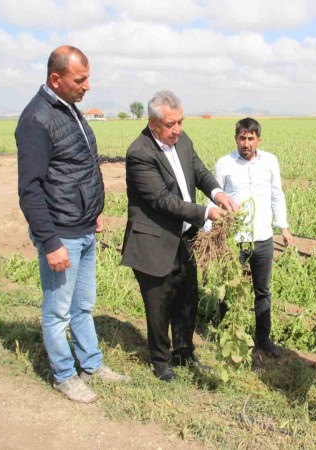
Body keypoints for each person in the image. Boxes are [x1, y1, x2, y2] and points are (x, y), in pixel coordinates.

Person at [16, 45, 127, 403]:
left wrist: (91, 209)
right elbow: (30, 190)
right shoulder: (36, 120)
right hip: (61, 233)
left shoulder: (69, 110)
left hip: (83, 227)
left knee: (83, 305)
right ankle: (64, 375)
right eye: (80, 79)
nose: (87, 86)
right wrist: (50, 242)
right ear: (56, 79)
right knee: (57, 311)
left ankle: (91, 364)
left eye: (87, 78)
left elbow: (76, 168)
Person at [121, 90, 238, 382]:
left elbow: (198, 171)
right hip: (154, 242)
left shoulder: (182, 141)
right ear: (153, 122)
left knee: (188, 298)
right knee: (159, 304)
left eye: (180, 122)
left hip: (185, 239)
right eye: (171, 124)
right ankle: (161, 362)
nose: (177, 129)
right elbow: (162, 200)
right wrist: (205, 213)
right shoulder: (140, 153)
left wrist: (217, 192)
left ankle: (184, 353)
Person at [209, 117, 294, 357]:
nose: (246, 143)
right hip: (235, 239)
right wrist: (208, 232)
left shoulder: (270, 162)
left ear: (258, 139)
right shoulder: (224, 164)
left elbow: (277, 194)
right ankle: (225, 334)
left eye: (250, 138)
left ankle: (263, 339)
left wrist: (283, 227)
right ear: (236, 138)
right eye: (242, 138)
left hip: (263, 237)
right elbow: (213, 198)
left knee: (263, 290)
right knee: (227, 288)